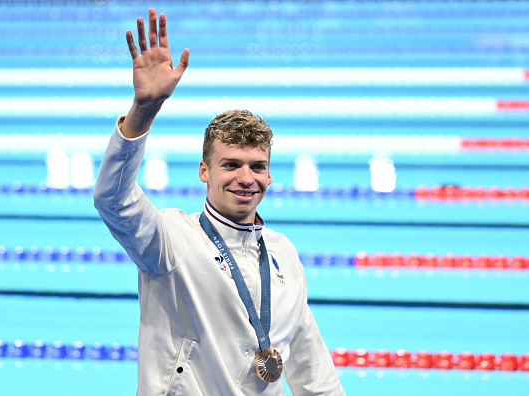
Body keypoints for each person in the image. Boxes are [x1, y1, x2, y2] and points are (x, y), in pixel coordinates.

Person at [93, 8, 345, 396]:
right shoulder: (171, 239)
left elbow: (312, 367)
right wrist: (143, 111)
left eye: (257, 166)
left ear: (270, 175)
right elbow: (113, 200)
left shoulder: (283, 254)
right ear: (204, 171)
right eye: (231, 165)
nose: (246, 178)